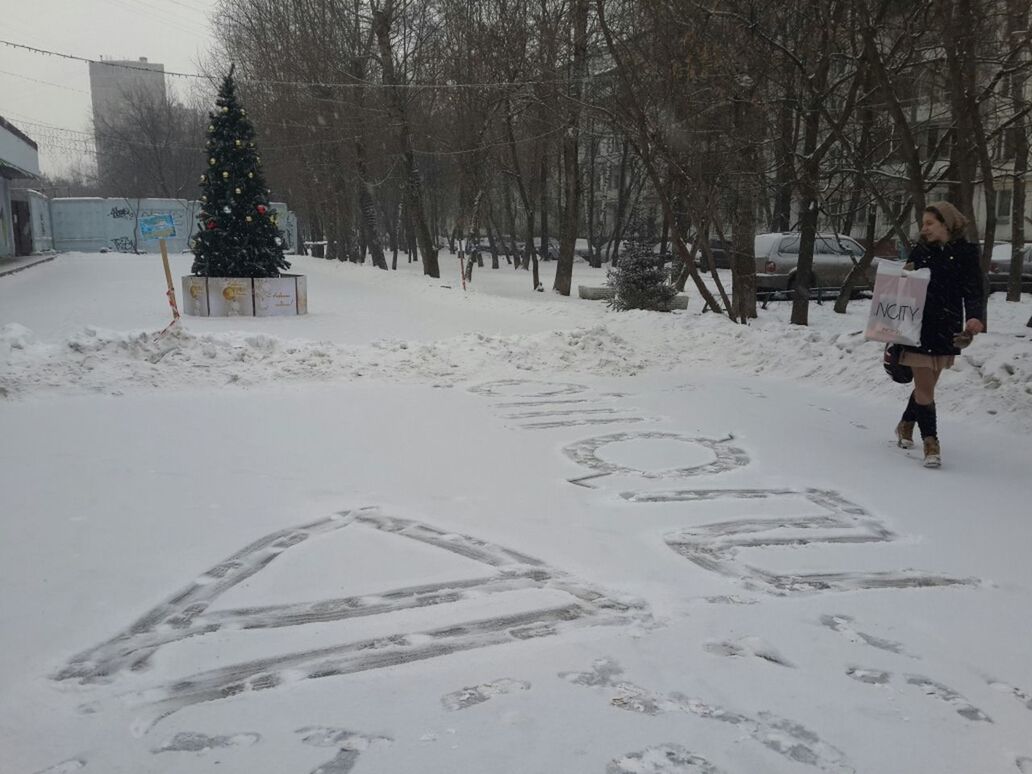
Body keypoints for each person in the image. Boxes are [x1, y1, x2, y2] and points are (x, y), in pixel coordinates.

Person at [894, 201, 985, 468]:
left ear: (946, 223)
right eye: (923, 224)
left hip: (948, 327)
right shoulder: (921, 251)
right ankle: (931, 443)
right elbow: (901, 286)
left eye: (929, 223)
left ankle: (906, 423)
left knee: (928, 387)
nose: (924, 229)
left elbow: (974, 288)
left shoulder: (967, 253)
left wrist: (975, 316)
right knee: (924, 387)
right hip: (917, 327)